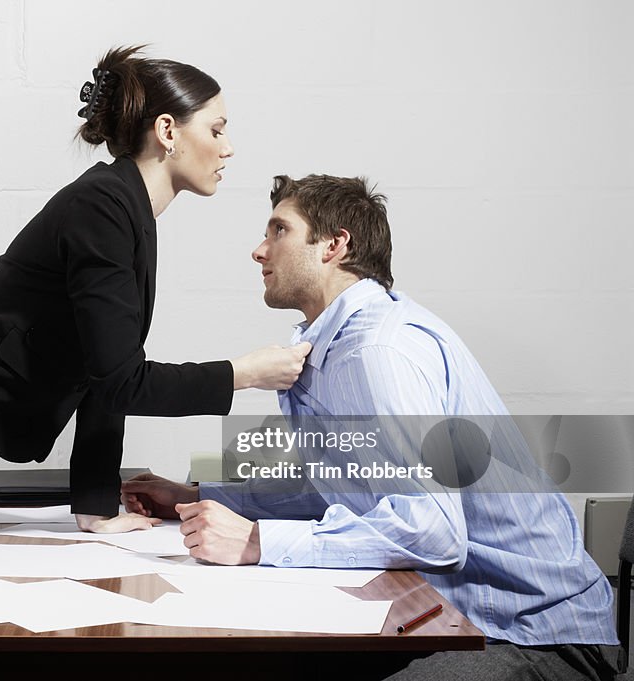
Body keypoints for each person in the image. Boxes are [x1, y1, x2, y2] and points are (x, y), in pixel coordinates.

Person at [0, 46, 312, 636]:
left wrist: (95, 505)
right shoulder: (105, 206)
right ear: (168, 131)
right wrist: (241, 372)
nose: (228, 148)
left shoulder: (127, 211)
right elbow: (123, 379)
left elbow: (103, 373)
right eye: (219, 129)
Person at [123, 174, 621, 680]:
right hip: (451, 614)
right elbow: (350, 493)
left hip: (534, 631)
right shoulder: (336, 347)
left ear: (334, 246)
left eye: (279, 231)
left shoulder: (379, 351)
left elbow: (435, 532)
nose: (259, 250)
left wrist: (257, 541)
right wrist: (204, 495)